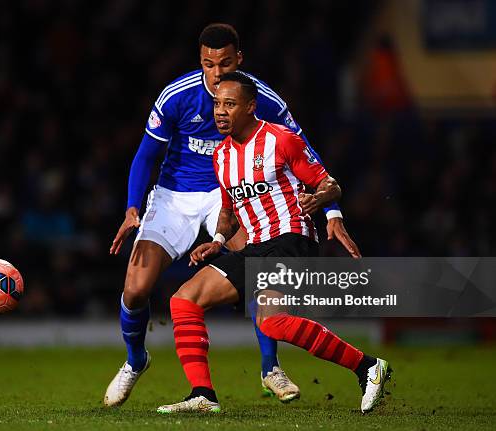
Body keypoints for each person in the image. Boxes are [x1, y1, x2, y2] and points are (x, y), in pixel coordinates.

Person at [105, 23, 361, 407]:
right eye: (209, 64)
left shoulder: (260, 98)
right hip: (175, 196)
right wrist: (132, 208)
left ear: (238, 59)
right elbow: (146, 155)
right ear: (201, 61)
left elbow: (305, 152)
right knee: (136, 288)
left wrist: (332, 210)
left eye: (225, 63)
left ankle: (269, 366)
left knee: (257, 267)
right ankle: (135, 360)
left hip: (230, 196)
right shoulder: (177, 96)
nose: (217, 73)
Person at [157, 72, 390, 414]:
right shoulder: (221, 155)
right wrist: (218, 240)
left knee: (271, 321)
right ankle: (203, 394)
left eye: (230, 104)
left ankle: (368, 367)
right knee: (184, 300)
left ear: (251, 107)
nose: (220, 111)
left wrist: (320, 200)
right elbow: (229, 209)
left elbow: (330, 184)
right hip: (256, 246)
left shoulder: (281, 139)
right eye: (218, 104)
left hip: (292, 238)